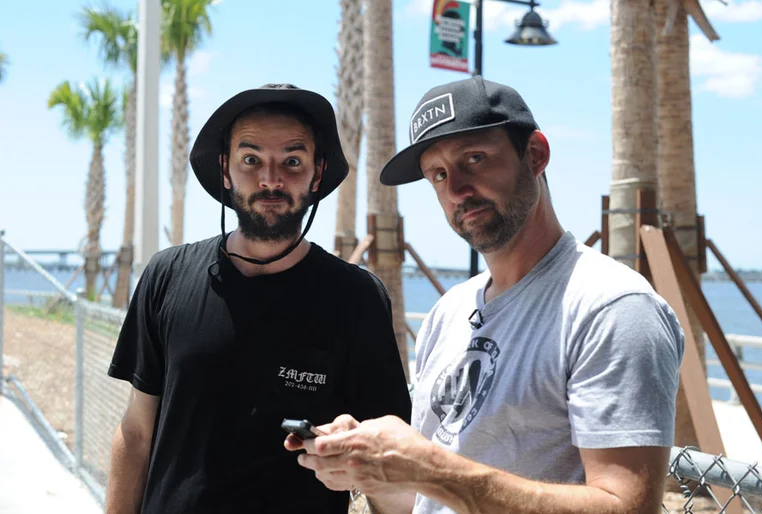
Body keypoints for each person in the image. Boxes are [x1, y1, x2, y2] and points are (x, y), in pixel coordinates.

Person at [288, 76, 685, 513]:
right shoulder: (449, 312)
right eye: (437, 175)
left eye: (474, 159)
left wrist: (427, 468)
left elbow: (628, 506)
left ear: (535, 155)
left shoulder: (611, 306)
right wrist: (372, 468)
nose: (457, 189)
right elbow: (423, 501)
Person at [105, 83, 412, 513]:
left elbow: (396, 486)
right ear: (225, 170)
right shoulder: (166, 276)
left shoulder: (356, 299)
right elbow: (137, 433)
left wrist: (361, 467)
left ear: (317, 174)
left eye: (292, 160)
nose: (271, 179)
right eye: (251, 159)